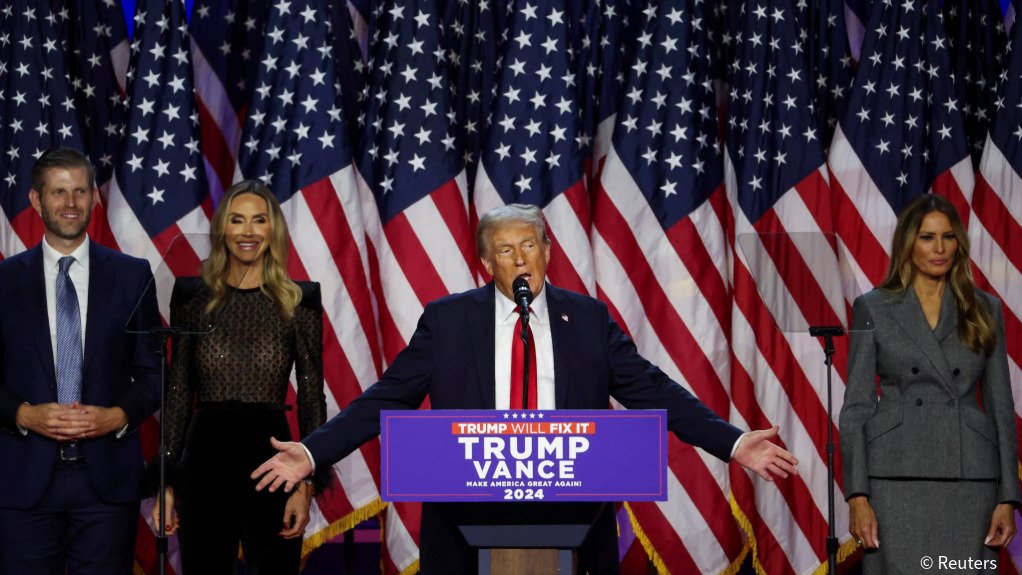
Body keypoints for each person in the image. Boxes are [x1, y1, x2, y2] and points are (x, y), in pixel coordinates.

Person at [252, 203, 799, 574]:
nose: (521, 259)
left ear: (548, 250)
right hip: (467, 517)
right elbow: (387, 397)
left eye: (530, 246)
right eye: (507, 251)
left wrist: (730, 442)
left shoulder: (587, 319)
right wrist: (310, 451)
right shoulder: (447, 321)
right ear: (487, 263)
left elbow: (651, 389)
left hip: (572, 516)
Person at [150, 180, 326, 574]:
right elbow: (178, 391)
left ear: (273, 230)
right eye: (237, 220)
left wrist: (305, 485)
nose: (247, 232)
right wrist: (165, 481)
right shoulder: (192, 298)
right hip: (205, 460)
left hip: (275, 461)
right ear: (222, 230)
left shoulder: (300, 300)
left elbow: (313, 396)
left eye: (258, 221)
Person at [0, 148, 162, 574]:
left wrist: (119, 415)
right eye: (58, 193)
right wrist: (22, 413)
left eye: (79, 192)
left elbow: (154, 371)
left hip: (105, 483)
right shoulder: (4, 281)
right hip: (22, 481)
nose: (70, 204)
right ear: (36, 200)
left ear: (93, 197)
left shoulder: (133, 276)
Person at [839, 194, 1019, 573]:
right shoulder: (872, 307)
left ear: (959, 243)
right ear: (908, 243)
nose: (940, 248)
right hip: (893, 479)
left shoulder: (985, 308)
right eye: (927, 237)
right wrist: (857, 495)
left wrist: (1008, 498)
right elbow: (856, 407)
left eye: (948, 237)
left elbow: (1002, 407)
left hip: (970, 480)